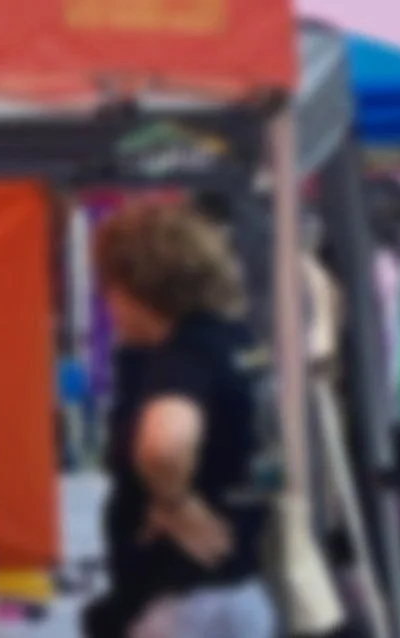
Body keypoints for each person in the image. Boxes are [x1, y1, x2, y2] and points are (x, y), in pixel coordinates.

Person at [89, 200, 275, 638]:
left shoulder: (184, 356)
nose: (109, 305)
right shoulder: (238, 341)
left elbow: (165, 442)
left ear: (137, 288)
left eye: (109, 290)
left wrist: (174, 502)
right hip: (239, 583)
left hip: (184, 602)